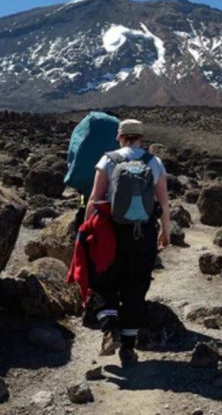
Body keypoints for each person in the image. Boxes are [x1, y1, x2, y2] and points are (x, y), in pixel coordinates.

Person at [85, 119, 170, 365]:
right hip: (142, 234)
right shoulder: (154, 162)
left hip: (112, 232)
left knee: (104, 280)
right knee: (136, 287)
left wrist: (88, 229)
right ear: (141, 138)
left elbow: (94, 198)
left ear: (120, 137)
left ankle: (110, 329)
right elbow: (163, 202)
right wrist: (165, 231)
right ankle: (129, 349)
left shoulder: (108, 160)